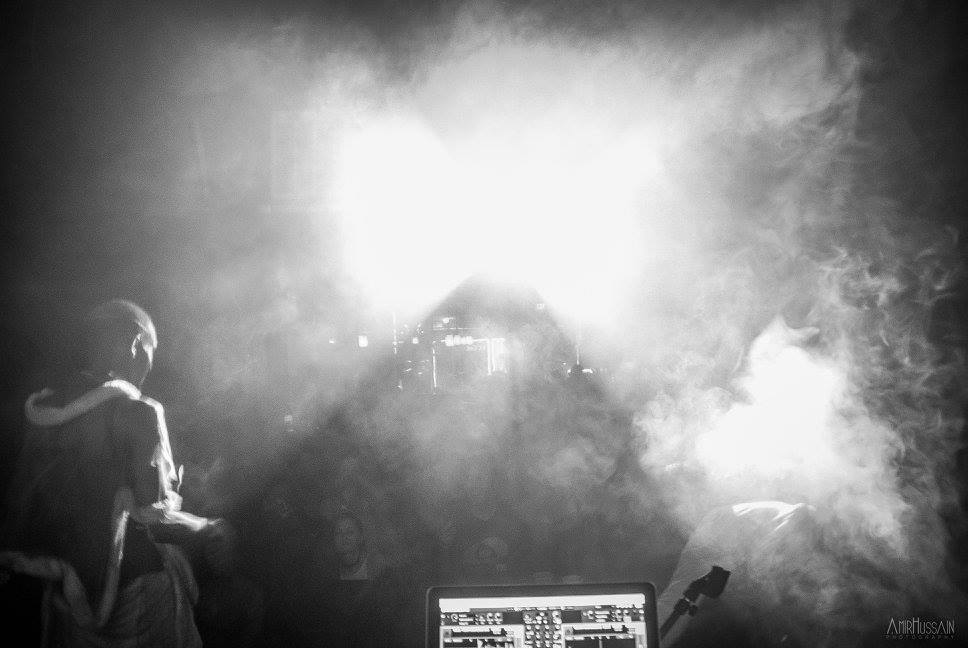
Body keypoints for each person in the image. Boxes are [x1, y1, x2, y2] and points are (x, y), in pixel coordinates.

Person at [0, 299, 224, 647]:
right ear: (134, 340)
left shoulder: (41, 413)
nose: (150, 364)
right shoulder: (139, 412)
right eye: (151, 350)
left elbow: (18, 506)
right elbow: (157, 522)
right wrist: (209, 527)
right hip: (137, 599)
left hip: (67, 600)